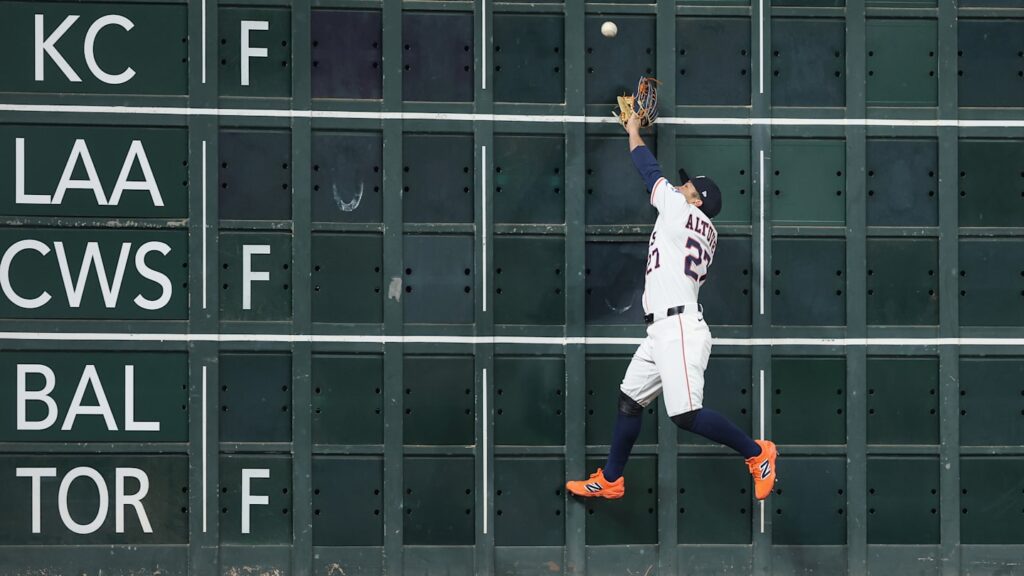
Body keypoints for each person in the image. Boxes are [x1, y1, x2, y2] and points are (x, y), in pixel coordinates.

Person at [566, 114, 778, 501]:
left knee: (684, 415)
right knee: (630, 400)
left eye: (687, 187)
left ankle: (757, 453)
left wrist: (632, 129)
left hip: (679, 327)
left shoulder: (680, 211)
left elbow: (648, 169)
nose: (679, 187)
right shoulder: (706, 231)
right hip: (663, 329)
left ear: (696, 200)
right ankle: (612, 479)